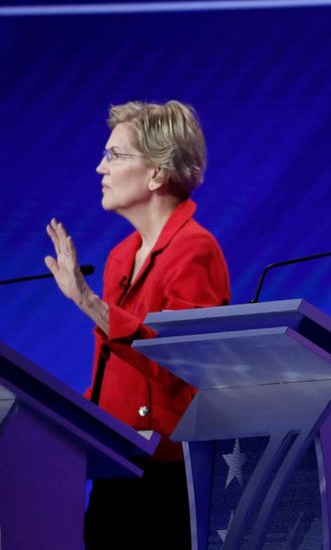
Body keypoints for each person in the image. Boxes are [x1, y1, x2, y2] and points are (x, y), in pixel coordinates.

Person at [44, 100, 230, 549]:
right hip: (116, 470)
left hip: (167, 482)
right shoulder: (119, 258)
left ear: (156, 173)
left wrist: (88, 303)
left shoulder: (195, 250)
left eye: (114, 155)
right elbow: (113, 374)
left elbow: (180, 368)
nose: (98, 167)